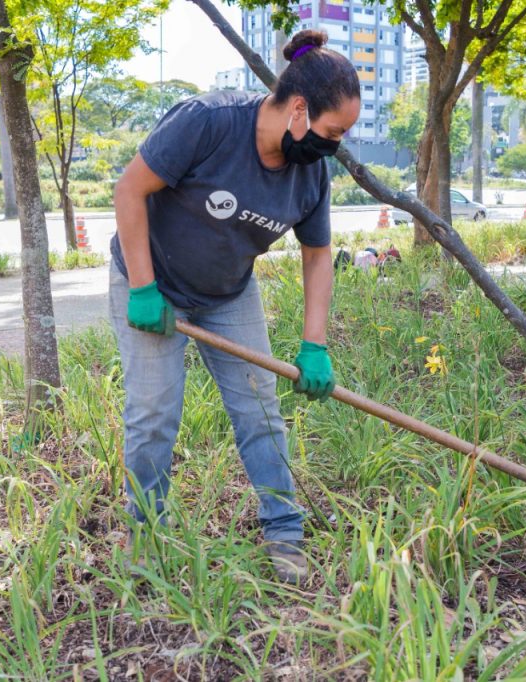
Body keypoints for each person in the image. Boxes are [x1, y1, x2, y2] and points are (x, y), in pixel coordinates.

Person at [108, 30, 360, 584]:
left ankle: (285, 533)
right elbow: (129, 190)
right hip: (150, 280)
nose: (335, 145)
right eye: (333, 131)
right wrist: (144, 288)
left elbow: (317, 255)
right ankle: (145, 535)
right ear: (299, 109)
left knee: (260, 412)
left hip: (227, 295)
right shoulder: (207, 122)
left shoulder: (310, 171)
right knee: (154, 414)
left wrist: (314, 346)